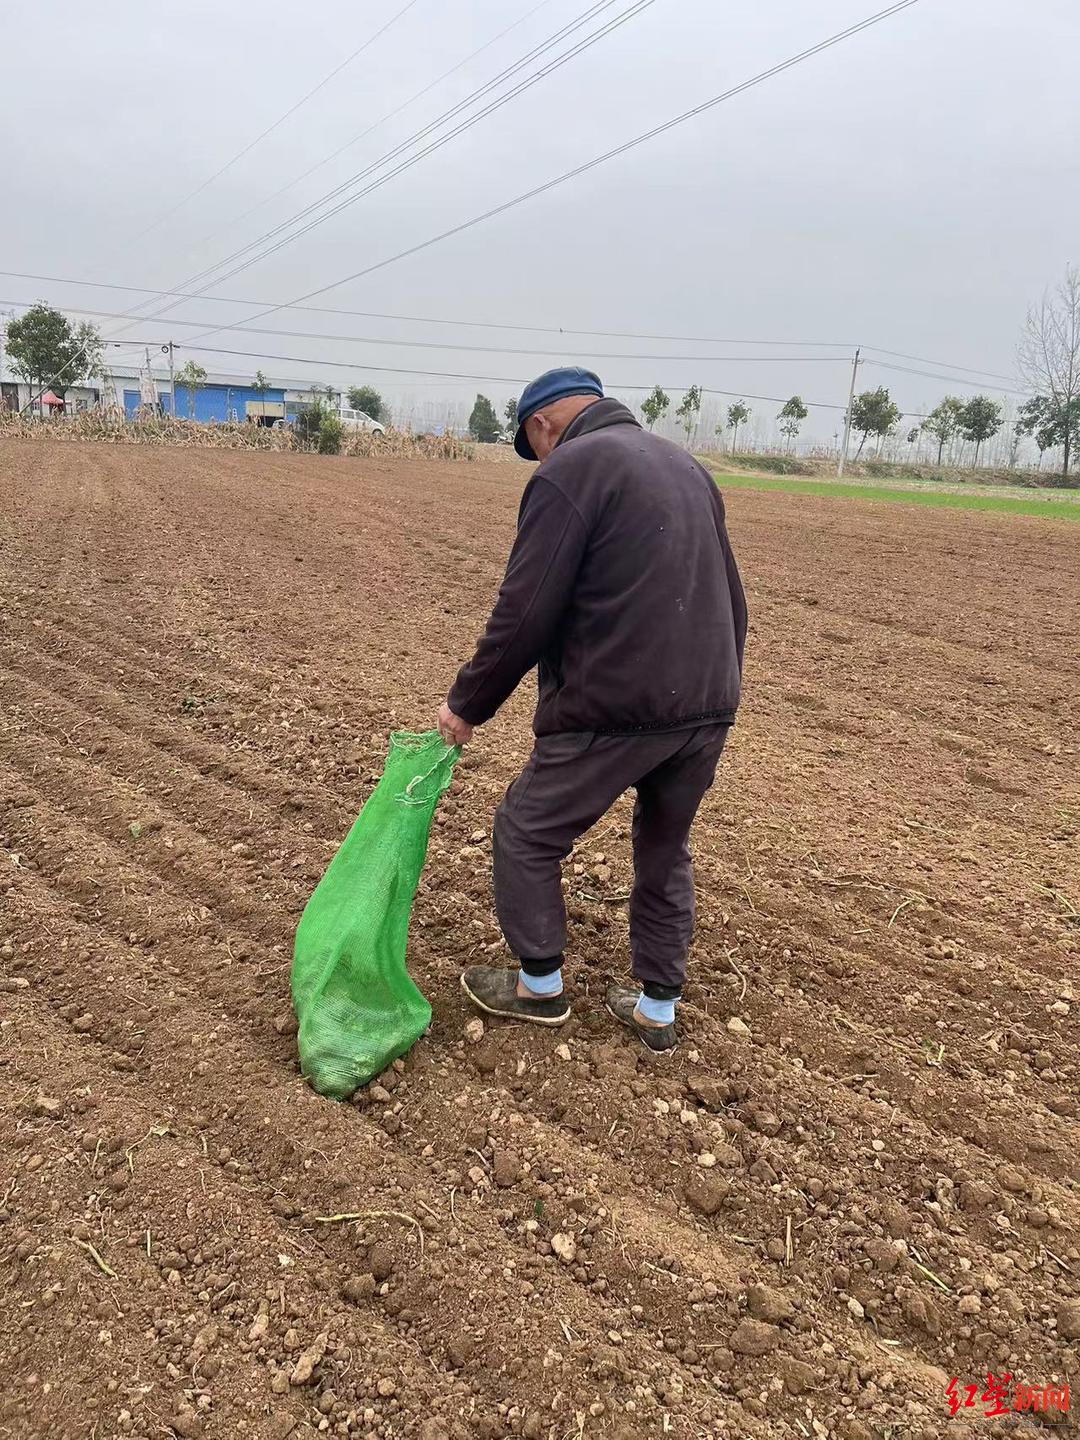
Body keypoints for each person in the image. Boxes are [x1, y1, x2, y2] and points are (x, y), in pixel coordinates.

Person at [438, 367, 747, 1052]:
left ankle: (539, 988)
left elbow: (526, 612)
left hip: (615, 704)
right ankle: (655, 1009)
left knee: (527, 829)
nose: (539, 457)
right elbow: (731, 593)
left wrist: (468, 704)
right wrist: (716, 694)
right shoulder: (685, 466)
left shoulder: (570, 469)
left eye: (533, 443)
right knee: (665, 850)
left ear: (542, 425)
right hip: (707, 703)